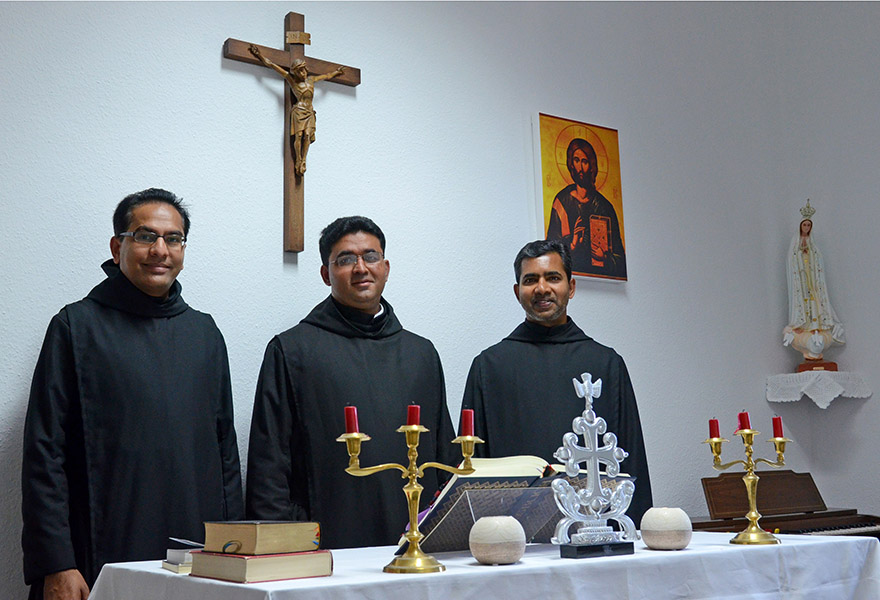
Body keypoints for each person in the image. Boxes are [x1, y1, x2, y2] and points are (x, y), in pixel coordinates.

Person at [21, 188, 244, 600]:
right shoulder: (76, 326)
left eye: (173, 238)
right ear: (117, 245)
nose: (160, 249)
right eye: (145, 236)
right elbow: (44, 453)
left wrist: (234, 552)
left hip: (198, 561)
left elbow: (225, 454)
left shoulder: (204, 333)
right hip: (95, 557)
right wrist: (56, 562)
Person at [246, 216, 456, 549]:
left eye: (370, 257)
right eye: (345, 259)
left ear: (385, 267)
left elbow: (445, 455)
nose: (361, 267)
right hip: (325, 544)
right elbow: (269, 465)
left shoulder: (421, 354)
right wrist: (279, 549)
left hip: (416, 542)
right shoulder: (292, 351)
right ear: (326, 274)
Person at [461, 240, 652, 524]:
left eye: (553, 277)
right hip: (513, 537)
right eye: (530, 280)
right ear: (517, 292)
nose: (542, 288)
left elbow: (630, 457)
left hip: (595, 529)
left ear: (571, 287)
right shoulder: (488, 367)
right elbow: (472, 467)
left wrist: (636, 533)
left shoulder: (607, 364)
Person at [249, 45, 345, 176]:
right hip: (299, 111)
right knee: (299, 136)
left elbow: (326, 76)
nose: (303, 73)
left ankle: (303, 160)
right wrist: (259, 55)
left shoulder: (311, 80)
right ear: (295, 72)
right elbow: (272, 65)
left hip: (309, 111)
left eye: (303, 70)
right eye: (299, 71)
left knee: (307, 135)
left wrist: (337, 72)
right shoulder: (292, 81)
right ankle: (298, 159)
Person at [546, 138, 626, 279]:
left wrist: (605, 258)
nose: (580, 168)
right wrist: (572, 244)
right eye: (576, 160)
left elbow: (620, 260)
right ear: (571, 164)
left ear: (592, 166)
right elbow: (549, 254)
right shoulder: (561, 202)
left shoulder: (605, 207)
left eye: (585, 162)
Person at [783, 201, 845, 363]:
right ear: (800, 226)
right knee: (804, 300)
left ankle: (816, 326)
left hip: (812, 277)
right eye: (804, 225)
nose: (806, 228)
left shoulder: (813, 244)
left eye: (808, 225)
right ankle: (804, 325)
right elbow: (791, 259)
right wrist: (800, 257)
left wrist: (810, 256)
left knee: (815, 301)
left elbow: (818, 260)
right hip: (802, 279)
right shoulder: (795, 242)